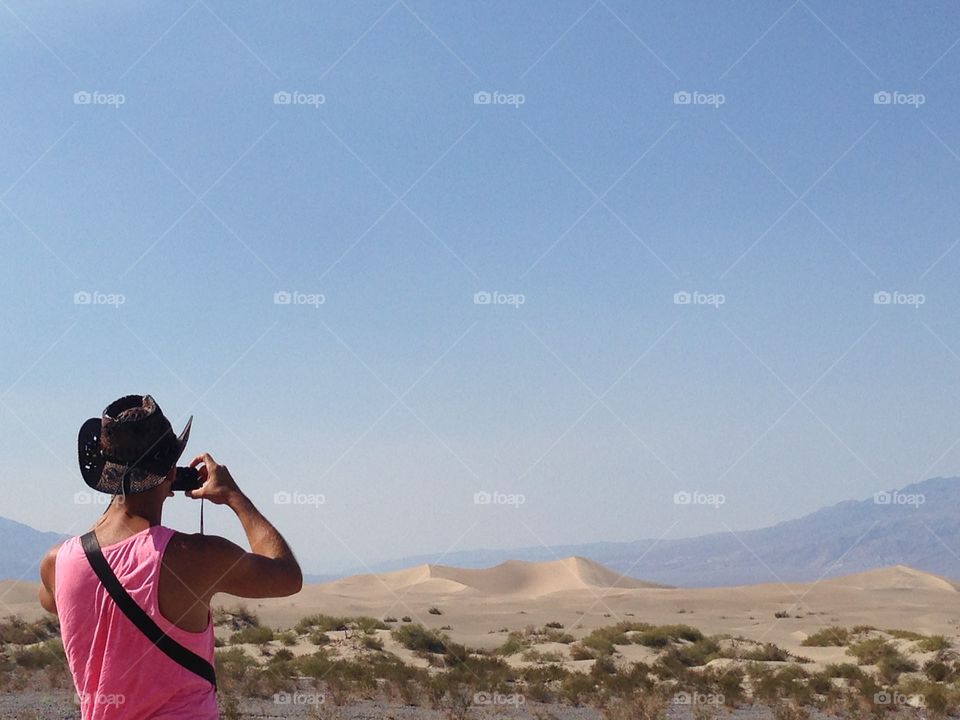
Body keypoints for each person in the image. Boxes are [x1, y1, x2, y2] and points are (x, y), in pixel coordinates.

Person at [37, 394, 302, 719]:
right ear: (172, 473)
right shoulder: (197, 557)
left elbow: (56, 603)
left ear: (106, 474)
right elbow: (287, 576)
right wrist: (234, 496)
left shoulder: (56, 564)